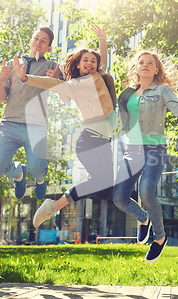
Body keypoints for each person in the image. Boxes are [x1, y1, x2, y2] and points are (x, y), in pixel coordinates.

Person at [12, 26, 116, 228]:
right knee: (102, 183)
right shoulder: (74, 84)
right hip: (91, 140)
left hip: (105, 141)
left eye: (93, 61)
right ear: (77, 65)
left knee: (105, 191)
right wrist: (25, 78)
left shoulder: (101, 77)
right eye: (85, 60)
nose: (90, 63)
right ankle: (54, 205)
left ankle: (90, 178)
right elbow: (48, 83)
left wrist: (102, 39)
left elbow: (102, 58)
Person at [114, 50, 178, 263]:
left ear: (156, 69)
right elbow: (122, 123)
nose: (145, 65)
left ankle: (159, 237)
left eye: (150, 63)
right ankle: (143, 217)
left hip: (155, 149)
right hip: (132, 150)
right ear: (136, 67)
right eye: (141, 62)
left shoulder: (163, 90)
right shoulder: (126, 94)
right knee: (119, 198)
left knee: (147, 189)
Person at [0, 26, 60, 200]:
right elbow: (1, 98)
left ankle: (40, 179)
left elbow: (66, 92)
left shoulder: (52, 66)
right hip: (10, 122)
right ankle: (19, 173)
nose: (38, 42)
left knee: (37, 169)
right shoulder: (11, 64)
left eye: (43, 41)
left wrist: (57, 80)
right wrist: (0, 79)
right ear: (30, 41)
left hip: (36, 125)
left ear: (48, 48)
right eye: (36, 38)